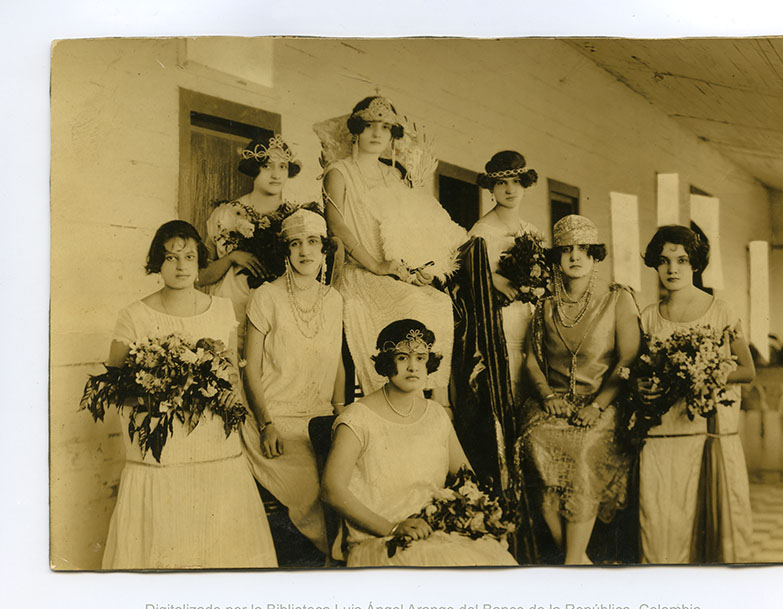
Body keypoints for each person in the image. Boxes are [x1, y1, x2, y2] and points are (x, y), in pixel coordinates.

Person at [101, 220, 276, 569]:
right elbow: (113, 385)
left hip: (213, 440)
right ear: (157, 263)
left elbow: (230, 376)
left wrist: (228, 397)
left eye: (189, 257)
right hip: (162, 443)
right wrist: (156, 392)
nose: (181, 266)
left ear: (200, 262)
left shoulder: (221, 310)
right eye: (170, 257)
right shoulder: (134, 315)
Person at [321, 320, 517, 567]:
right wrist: (392, 527)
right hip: (380, 540)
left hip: (434, 532)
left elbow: (466, 478)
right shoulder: (357, 418)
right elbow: (332, 490)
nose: (413, 367)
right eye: (402, 357)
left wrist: (479, 515)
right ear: (386, 362)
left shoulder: (436, 414)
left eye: (421, 358)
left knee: (496, 558)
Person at [316, 96, 466, 405]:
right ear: (356, 130)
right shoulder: (339, 172)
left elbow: (408, 229)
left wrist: (419, 267)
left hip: (393, 272)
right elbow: (337, 227)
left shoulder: (394, 175)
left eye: (385, 127)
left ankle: (435, 402)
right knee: (412, 303)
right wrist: (377, 266)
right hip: (359, 270)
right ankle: (389, 397)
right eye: (370, 126)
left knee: (438, 301)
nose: (377, 134)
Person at [516, 215, 640, 565]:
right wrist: (548, 397)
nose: (575, 257)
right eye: (567, 250)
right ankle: (579, 560)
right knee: (535, 443)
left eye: (584, 250)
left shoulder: (618, 300)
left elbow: (627, 359)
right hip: (553, 403)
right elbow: (530, 362)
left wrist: (598, 406)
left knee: (584, 449)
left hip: (602, 402)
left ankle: (572, 561)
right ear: (556, 258)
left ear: (595, 256)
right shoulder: (545, 304)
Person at [638, 225, 755, 564]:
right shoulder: (648, 316)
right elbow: (638, 373)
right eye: (663, 261)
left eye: (682, 260)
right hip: (661, 434)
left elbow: (747, 370)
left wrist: (704, 373)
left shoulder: (721, 310)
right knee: (659, 519)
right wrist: (642, 385)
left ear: (695, 265)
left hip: (708, 432)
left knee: (710, 521)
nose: (672, 269)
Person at [241, 207, 345, 555]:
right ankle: (333, 558)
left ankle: (353, 558)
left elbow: (337, 362)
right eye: (296, 243)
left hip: (320, 419)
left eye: (313, 242)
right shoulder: (266, 296)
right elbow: (250, 370)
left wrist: (342, 414)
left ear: (324, 249)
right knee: (311, 488)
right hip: (275, 419)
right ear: (286, 250)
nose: (305, 251)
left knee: (353, 478)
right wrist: (266, 423)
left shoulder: (334, 300)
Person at [199, 133, 301, 351]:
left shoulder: (296, 217)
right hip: (232, 307)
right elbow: (201, 275)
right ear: (255, 168)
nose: (276, 174)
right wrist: (232, 258)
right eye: (267, 166)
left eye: (283, 166)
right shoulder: (226, 214)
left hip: (279, 312)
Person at [470, 151, 542, 404]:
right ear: (491, 187)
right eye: (502, 182)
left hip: (530, 315)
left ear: (525, 184)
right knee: (508, 386)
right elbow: (465, 276)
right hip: (500, 318)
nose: (510, 189)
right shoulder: (482, 232)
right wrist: (492, 278)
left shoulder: (531, 230)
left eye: (516, 181)